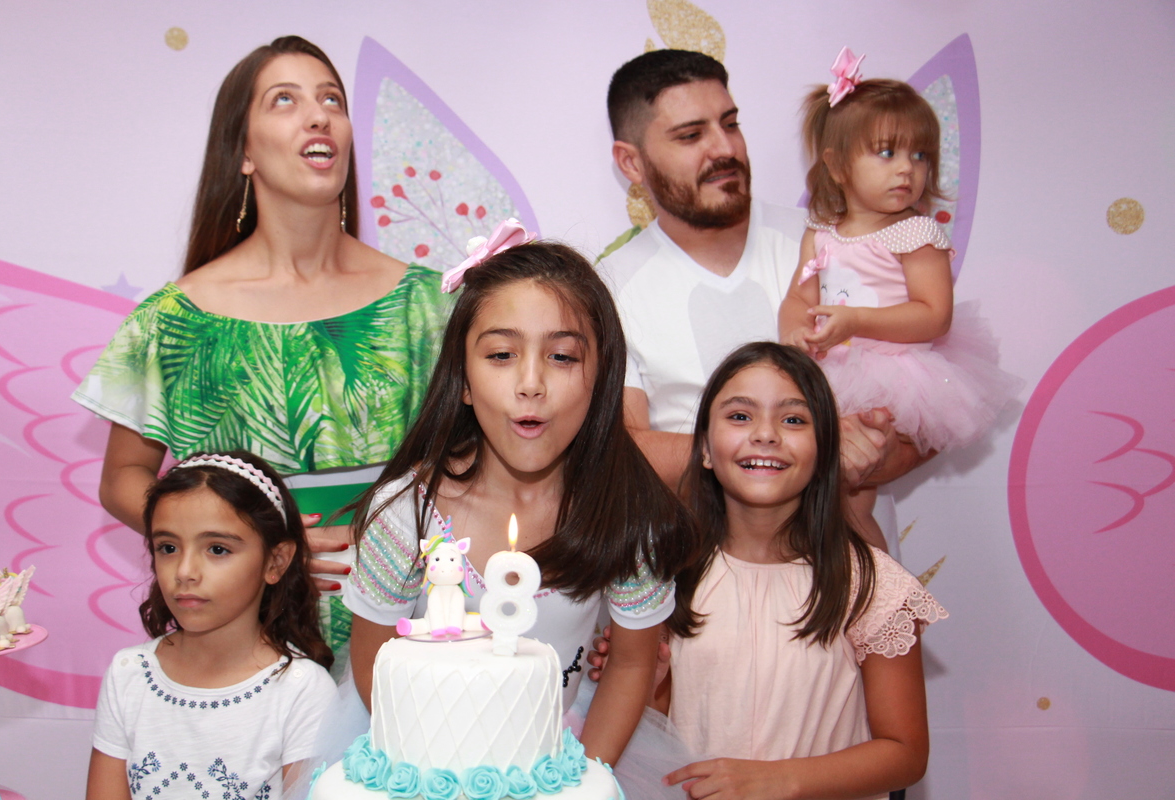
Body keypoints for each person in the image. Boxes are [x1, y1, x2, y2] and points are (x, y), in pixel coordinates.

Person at [72, 36, 452, 659]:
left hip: (413, 630)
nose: (318, 115)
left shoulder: (432, 304)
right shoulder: (174, 319)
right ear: (244, 151)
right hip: (253, 636)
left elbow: (485, 465)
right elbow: (121, 478)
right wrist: (241, 538)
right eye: (284, 100)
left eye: (331, 99)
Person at [343, 235, 699, 768]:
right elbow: (373, 664)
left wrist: (579, 782)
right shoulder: (405, 515)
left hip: (567, 754)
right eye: (501, 355)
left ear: (602, 379)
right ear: (463, 380)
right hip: (419, 755)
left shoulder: (627, 513)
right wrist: (442, 774)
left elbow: (630, 666)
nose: (531, 383)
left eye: (562, 357)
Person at [599, 49, 920, 553]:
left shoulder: (835, 242)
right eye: (691, 135)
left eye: (730, 124)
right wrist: (793, 454)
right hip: (699, 579)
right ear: (631, 162)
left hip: (853, 576)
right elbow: (624, 446)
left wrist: (879, 453)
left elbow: (930, 413)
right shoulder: (610, 287)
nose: (724, 148)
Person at [664, 342, 946, 800]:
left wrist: (778, 779)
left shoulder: (872, 585)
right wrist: (637, 674)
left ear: (824, 453)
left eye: (793, 420)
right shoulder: (668, 575)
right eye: (740, 416)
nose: (766, 434)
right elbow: (656, 728)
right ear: (705, 449)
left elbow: (905, 754)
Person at [779, 48, 1019, 546]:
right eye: (887, 153)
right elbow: (798, 300)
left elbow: (934, 317)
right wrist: (794, 336)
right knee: (820, 500)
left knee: (849, 497)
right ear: (837, 166)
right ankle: (835, 584)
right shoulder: (820, 233)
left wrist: (855, 321)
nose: (907, 169)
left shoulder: (916, 233)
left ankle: (880, 589)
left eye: (920, 155)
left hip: (892, 377)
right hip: (831, 370)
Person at [85, 451, 337, 800]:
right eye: (168, 547)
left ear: (276, 561)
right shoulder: (128, 674)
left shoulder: (301, 690)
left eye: (217, 549)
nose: (185, 571)